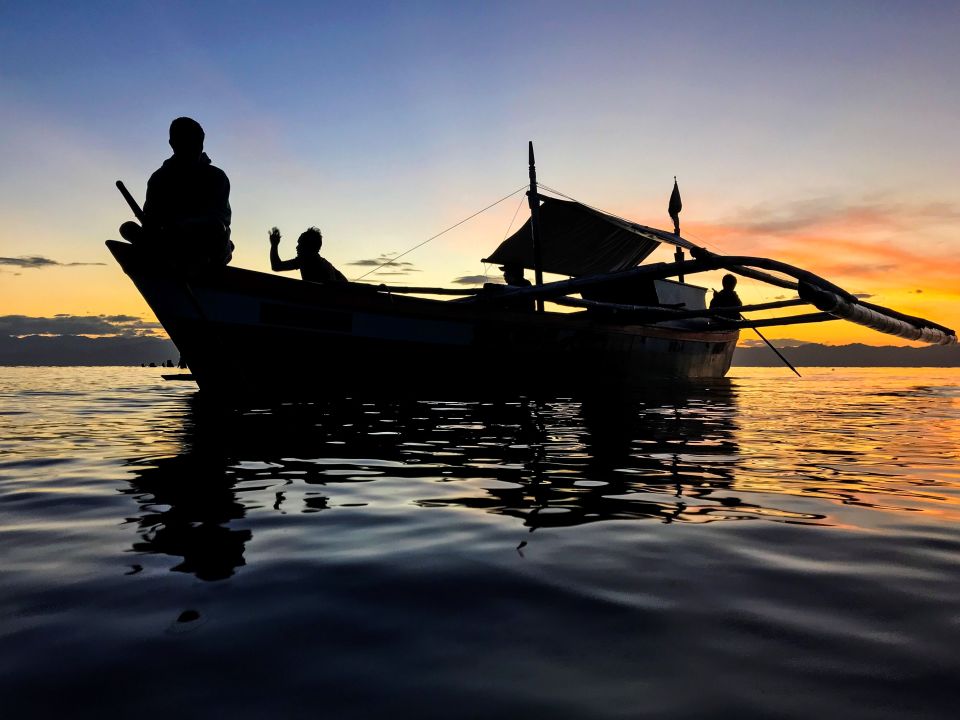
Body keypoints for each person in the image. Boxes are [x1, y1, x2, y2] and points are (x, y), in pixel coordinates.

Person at [120, 117, 233, 266]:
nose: (193, 147)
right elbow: (151, 215)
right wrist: (153, 225)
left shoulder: (217, 176)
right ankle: (166, 258)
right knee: (127, 228)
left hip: (207, 245)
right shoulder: (159, 178)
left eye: (197, 142)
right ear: (173, 144)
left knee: (216, 227)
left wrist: (182, 225)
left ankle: (196, 264)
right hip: (168, 241)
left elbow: (221, 218)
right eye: (186, 142)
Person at [269, 226, 347, 283]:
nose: (297, 247)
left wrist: (274, 244)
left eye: (300, 244)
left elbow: (276, 266)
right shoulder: (325, 264)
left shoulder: (306, 261)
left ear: (308, 247)